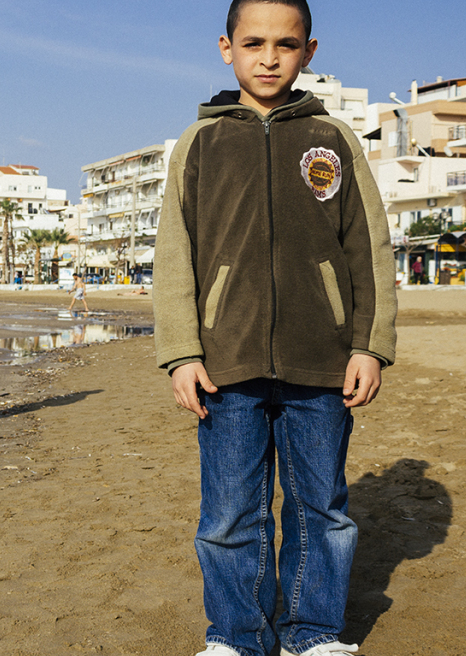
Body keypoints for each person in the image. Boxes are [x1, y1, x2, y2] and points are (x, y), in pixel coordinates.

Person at [152, 2, 398, 656]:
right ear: (225, 47)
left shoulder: (335, 139)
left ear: (309, 50)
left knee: (322, 511)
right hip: (225, 362)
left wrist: (370, 345)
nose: (268, 58)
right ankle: (236, 637)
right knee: (231, 515)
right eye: (253, 43)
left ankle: (311, 634)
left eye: (285, 45)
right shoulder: (198, 143)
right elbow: (175, 255)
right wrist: (181, 353)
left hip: (322, 362)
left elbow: (368, 249)